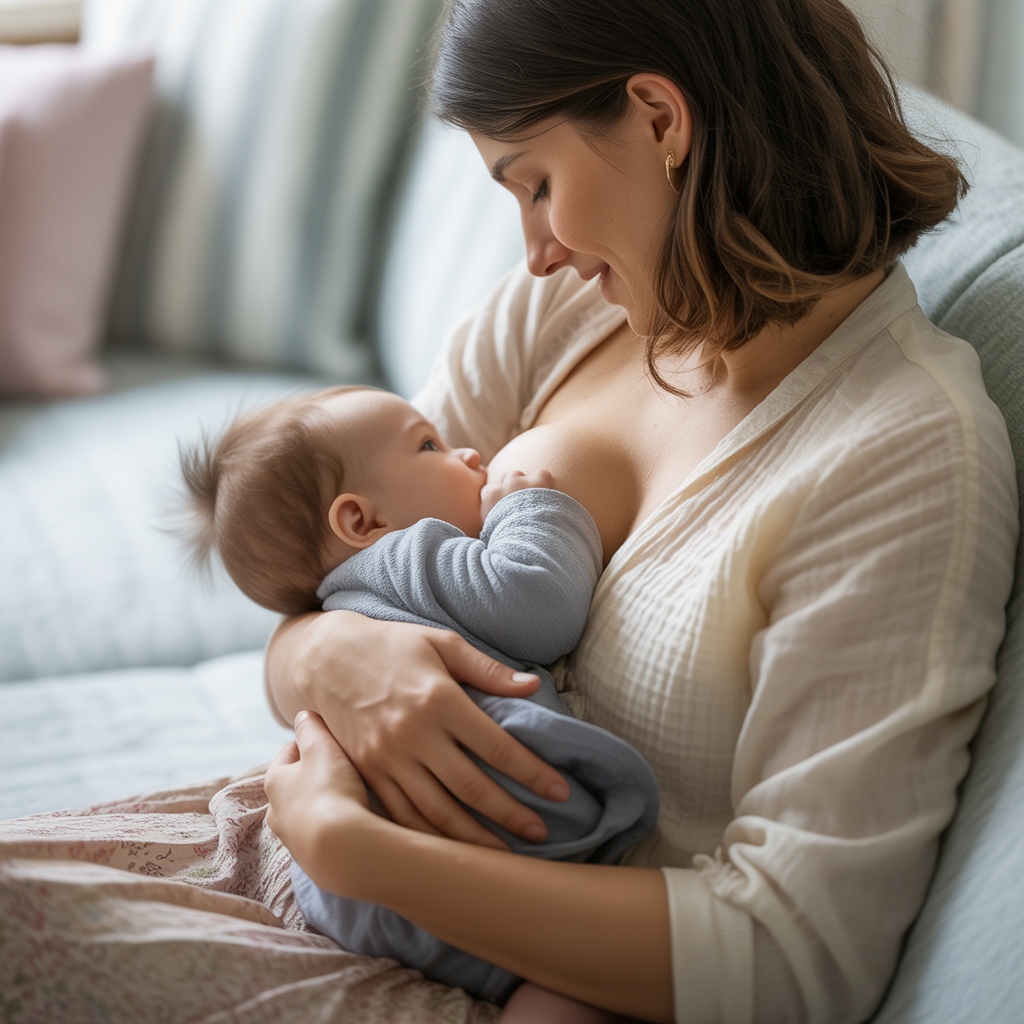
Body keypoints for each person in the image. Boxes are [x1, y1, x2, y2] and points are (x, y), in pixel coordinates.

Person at [260, 1, 1018, 1023]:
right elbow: (334, 555)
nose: (533, 251)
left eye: (535, 184)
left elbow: (793, 959)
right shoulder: (566, 316)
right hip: (319, 878)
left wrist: (361, 856)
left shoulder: (899, 451)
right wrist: (323, 659)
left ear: (661, 119)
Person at [178, 384, 659, 1021]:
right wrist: (533, 506)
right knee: (563, 982)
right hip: (490, 839)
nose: (468, 454)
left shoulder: (348, 601)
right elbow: (539, 610)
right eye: (429, 444)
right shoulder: (408, 556)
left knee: (535, 985)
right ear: (361, 522)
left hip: (346, 896)